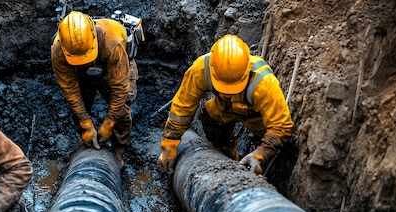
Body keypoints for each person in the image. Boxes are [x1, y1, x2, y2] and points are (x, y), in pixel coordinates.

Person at [158, 34, 294, 175]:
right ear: (212, 68)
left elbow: (281, 126)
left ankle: (260, 168)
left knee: (269, 141)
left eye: (234, 87)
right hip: (224, 108)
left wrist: (260, 154)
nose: (228, 93)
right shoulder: (200, 70)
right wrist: (170, 144)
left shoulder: (263, 83)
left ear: (247, 70)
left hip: (257, 116)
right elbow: (182, 108)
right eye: (224, 88)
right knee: (211, 116)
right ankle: (226, 153)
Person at [51, 10, 138, 166]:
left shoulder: (113, 43)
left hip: (115, 65)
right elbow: (70, 89)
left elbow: (120, 89)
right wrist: (85, 123)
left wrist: (109, 123)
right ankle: (87, 139)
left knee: (122, 110)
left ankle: (119, 151)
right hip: (81, 71)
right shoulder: (58, 49)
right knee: (78, 105)